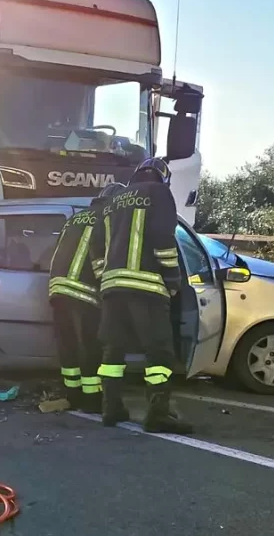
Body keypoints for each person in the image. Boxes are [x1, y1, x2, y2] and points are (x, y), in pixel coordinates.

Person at [92, 158, 192, 433]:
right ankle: (158, 414)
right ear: (163, 177)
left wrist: (106, 279)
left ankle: (110, 410)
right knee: (159, 354)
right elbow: (163, 239)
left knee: (113, 351)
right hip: (146, 288)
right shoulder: (159, 193)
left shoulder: (113, 200)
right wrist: (173, 280)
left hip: (112, 289)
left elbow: (96, 247)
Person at [47, 182, 122, 413]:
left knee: (67, 345)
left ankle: (73, 395)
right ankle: (91, 400)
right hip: (84, 290)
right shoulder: (107, 218)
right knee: (90, 345)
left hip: (58, 288)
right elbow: (103, 257)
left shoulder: (76, 217)